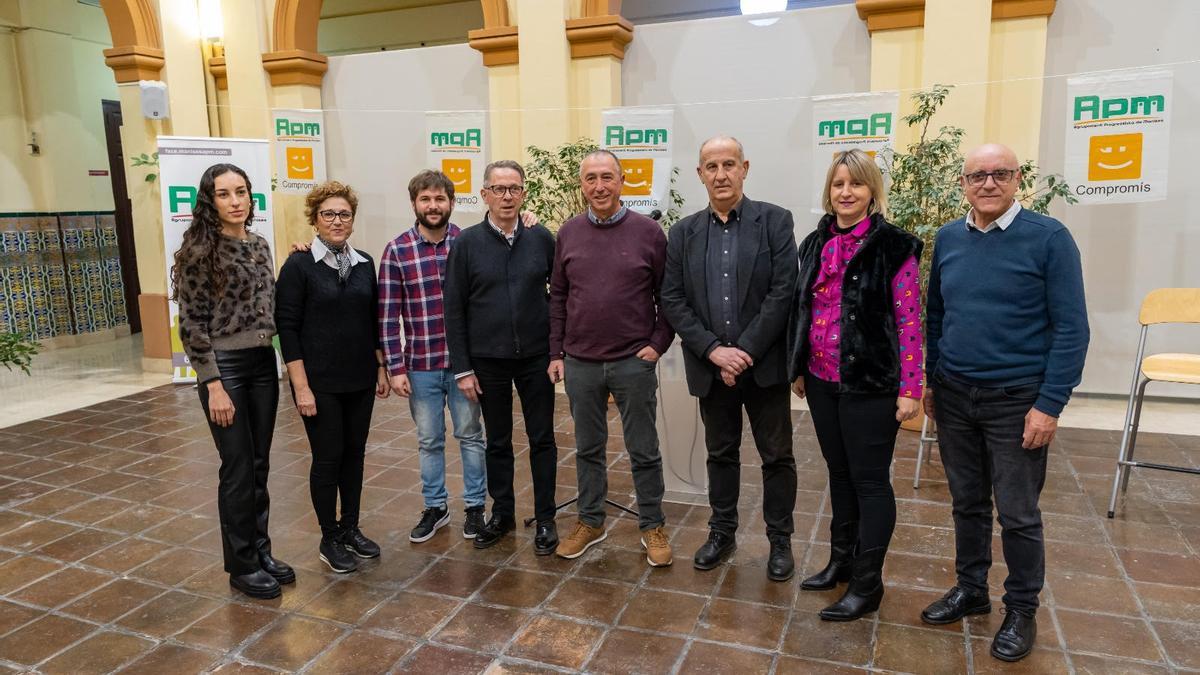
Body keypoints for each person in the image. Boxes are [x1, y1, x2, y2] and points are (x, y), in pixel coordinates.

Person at [920, 143, 1089, 662]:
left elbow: (1072, 329)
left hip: (1017, 402)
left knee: (1017, 513)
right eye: (977, 175)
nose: (988, 183)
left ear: (1018, 179)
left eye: (1000, 174)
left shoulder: (1049, 239)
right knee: (966, 502)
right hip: (953, 395)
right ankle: (971, 590)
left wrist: (1050, 404)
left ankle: (1021, 609)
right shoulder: (949, 238)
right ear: (964, 183)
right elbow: (937, 317)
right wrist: (931, 381)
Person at [788, 150, 923, 620]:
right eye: (838, 184)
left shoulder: (894, 245)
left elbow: (908, 320)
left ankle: (868, 585)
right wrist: (799, 365)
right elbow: (802, 309)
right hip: (823, 380)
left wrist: (911, 387)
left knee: (870, 482)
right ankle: (840, 563)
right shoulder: (814, 242)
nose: (846, 193)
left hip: (872, 383)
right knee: (838, 475)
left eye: (856, 185)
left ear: (871, 192)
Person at [660, 136, 799, 581]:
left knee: (776, 456)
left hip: (764, 368)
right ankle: (721, 532)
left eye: (729, 164)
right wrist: (714, 350)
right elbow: (673, 298)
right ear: (700, 173)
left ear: (745, 168)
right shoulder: (683, 233)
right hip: (711, 366)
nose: (720, 174)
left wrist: (745, 352)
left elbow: (783, 292)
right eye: (711, 166)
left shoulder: (775, 222)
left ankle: (780, 540)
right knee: (720, 454)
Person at [547, 150, 675, 566]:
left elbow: (667, 296)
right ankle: (590, 521)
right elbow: (559, 296)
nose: (599, 186)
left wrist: (657, 344)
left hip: (631, 362)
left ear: (622, 181)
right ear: (581, 185)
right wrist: (556, 351)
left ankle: (652, 524)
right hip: (581, 363)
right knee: (588, 448)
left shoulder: (650, 233)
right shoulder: (567, 233)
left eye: (607, 177)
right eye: (590, 179)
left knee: (643, 449)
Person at [171, 163, 293, 599]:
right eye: (224, 194)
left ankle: (261, 551)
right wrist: (214, 384)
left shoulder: (260, 245)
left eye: (241, 192)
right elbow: (191, 325)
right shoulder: (200, 252)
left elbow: (269, 303)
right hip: (226, 369)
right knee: (238, 467)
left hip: (263, 362)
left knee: (259, 464)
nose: (236, 201)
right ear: (210, 201)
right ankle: (241, 565)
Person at [444, 159, 559, 554]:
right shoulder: (466, 244)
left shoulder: (541, 238)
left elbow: (559, 296)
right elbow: (453, 309)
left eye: (514, 188)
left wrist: (556, 351)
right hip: (487, 360)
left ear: (523, 193)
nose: (507, 196)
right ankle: (503, 513)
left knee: (542, 438)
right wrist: (462, 368)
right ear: (484, 195)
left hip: (536, 357)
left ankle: (546, 519)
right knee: (497, 440)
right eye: (499, 189)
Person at [275, 181, 388, 575]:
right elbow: (286, 329)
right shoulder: (298, 265)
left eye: (344, 214)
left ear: (353, 220)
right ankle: (329, 537)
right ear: (315, 219)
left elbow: (372, 321)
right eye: (329, 214)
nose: (337, 221)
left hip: (358, 379)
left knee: (354, 457)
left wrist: (379, 367)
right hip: (318, 382)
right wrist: (301, 387)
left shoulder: (364, 263)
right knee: (328, 458)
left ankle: (351, 528)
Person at [379, 170, 489, 544]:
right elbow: (387, 314)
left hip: (463, 367)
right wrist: (395, 368)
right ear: (414, 204)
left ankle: (476, 507)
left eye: (440, 199)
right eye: (425, 199)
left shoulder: (468, 242)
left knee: (471, 436)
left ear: (452, 203)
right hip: (421, 366)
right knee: (429, 440)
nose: (433, 205)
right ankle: (435, 506)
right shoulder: (397, 250)